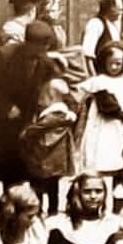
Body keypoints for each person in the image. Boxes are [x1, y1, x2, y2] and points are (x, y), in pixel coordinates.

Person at [0, 20, 62, 223]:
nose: (41, 52)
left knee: (13, 165)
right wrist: (6, 107)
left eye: (45, 48)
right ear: (27, 43)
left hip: (17, 124)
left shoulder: (45, 64)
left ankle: (10, 208)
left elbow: (55, 85)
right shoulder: (5, 56)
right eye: (37, 47)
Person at [75, 41, 123, 187]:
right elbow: (78, 92)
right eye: (110, 63)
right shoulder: (98, 81)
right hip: (103, 125)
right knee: (104, 154)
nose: (113, 67)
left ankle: (120, 192)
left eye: (118, 63)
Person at [20, 78, 79, 216]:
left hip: (43, 157)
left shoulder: (50, 116)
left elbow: (34, 130)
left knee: (37, 185)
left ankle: (38, 210)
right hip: (58, 159)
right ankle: (53, 211)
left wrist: (24, 134)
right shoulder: (65, 116)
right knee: (53, 188)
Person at [81, 0, 123, 73]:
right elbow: (87, 55)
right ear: (110, 9)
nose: (120, 13)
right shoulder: (96, 24)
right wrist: (93, 78)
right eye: (119, 9)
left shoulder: (113, 26)